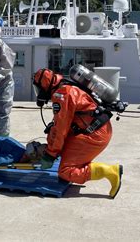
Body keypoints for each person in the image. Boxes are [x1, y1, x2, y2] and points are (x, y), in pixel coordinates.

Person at [32, 68, 123, 199]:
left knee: (65, 171)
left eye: (38, 89)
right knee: (60, 148)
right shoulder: (65, 86)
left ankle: (110, 171)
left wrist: (50, 154)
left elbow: (60, 129)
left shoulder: (62, 95)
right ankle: (77, 166)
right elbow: (60, 125)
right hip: (97, 129)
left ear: (45, 85)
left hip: (94, 134)